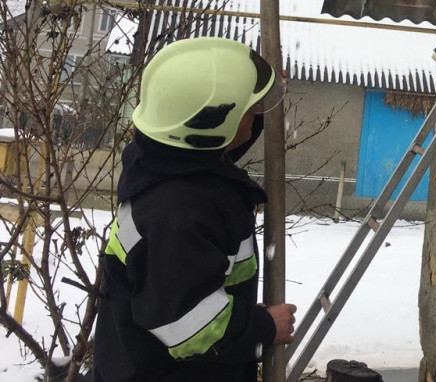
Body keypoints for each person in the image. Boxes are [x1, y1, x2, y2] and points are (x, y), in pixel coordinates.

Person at [92, 37, 296, 382]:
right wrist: (262, 326)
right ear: (210, 127)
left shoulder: (164, 160)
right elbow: (189, 326)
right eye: (248, 109)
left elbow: (213, 147)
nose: (254, 114)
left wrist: (255, 99)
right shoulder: (177, 212)